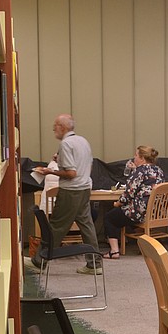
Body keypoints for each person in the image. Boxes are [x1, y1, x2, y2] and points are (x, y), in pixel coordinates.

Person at [31, 114, 102, 275]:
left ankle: (39, 261)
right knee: (87, 225)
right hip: (84, 189)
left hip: (70, 191)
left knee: (56, 226)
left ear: (63, 127)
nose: (53, 129)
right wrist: (60, 159)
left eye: (55, 125)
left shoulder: (66, 144)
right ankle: (94, 264)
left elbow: (71, 173)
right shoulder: (83, 141)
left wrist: (50, 170)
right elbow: (86, 166)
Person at [102, 146, 164, 259]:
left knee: (110, 217)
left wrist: (118, 203)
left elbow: (128, 194)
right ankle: (146, 242)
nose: (134, 157)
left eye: (136, 155)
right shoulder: (158, 170)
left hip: (139, 212)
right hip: (154, 211)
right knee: (126, 217)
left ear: (142, 158)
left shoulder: (139, 172)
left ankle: (114, 251)